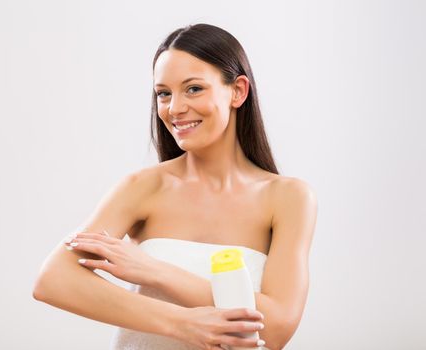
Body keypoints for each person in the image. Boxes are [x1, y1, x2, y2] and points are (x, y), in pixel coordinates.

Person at [33, 23, 318, 350]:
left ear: (238, 91)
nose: (175, 108)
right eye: (163, 93)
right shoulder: (142, 187)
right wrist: (183, 323)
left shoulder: (289, 198)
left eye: (194, 88)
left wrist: (154, 271)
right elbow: (54, 280)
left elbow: (277, 327)